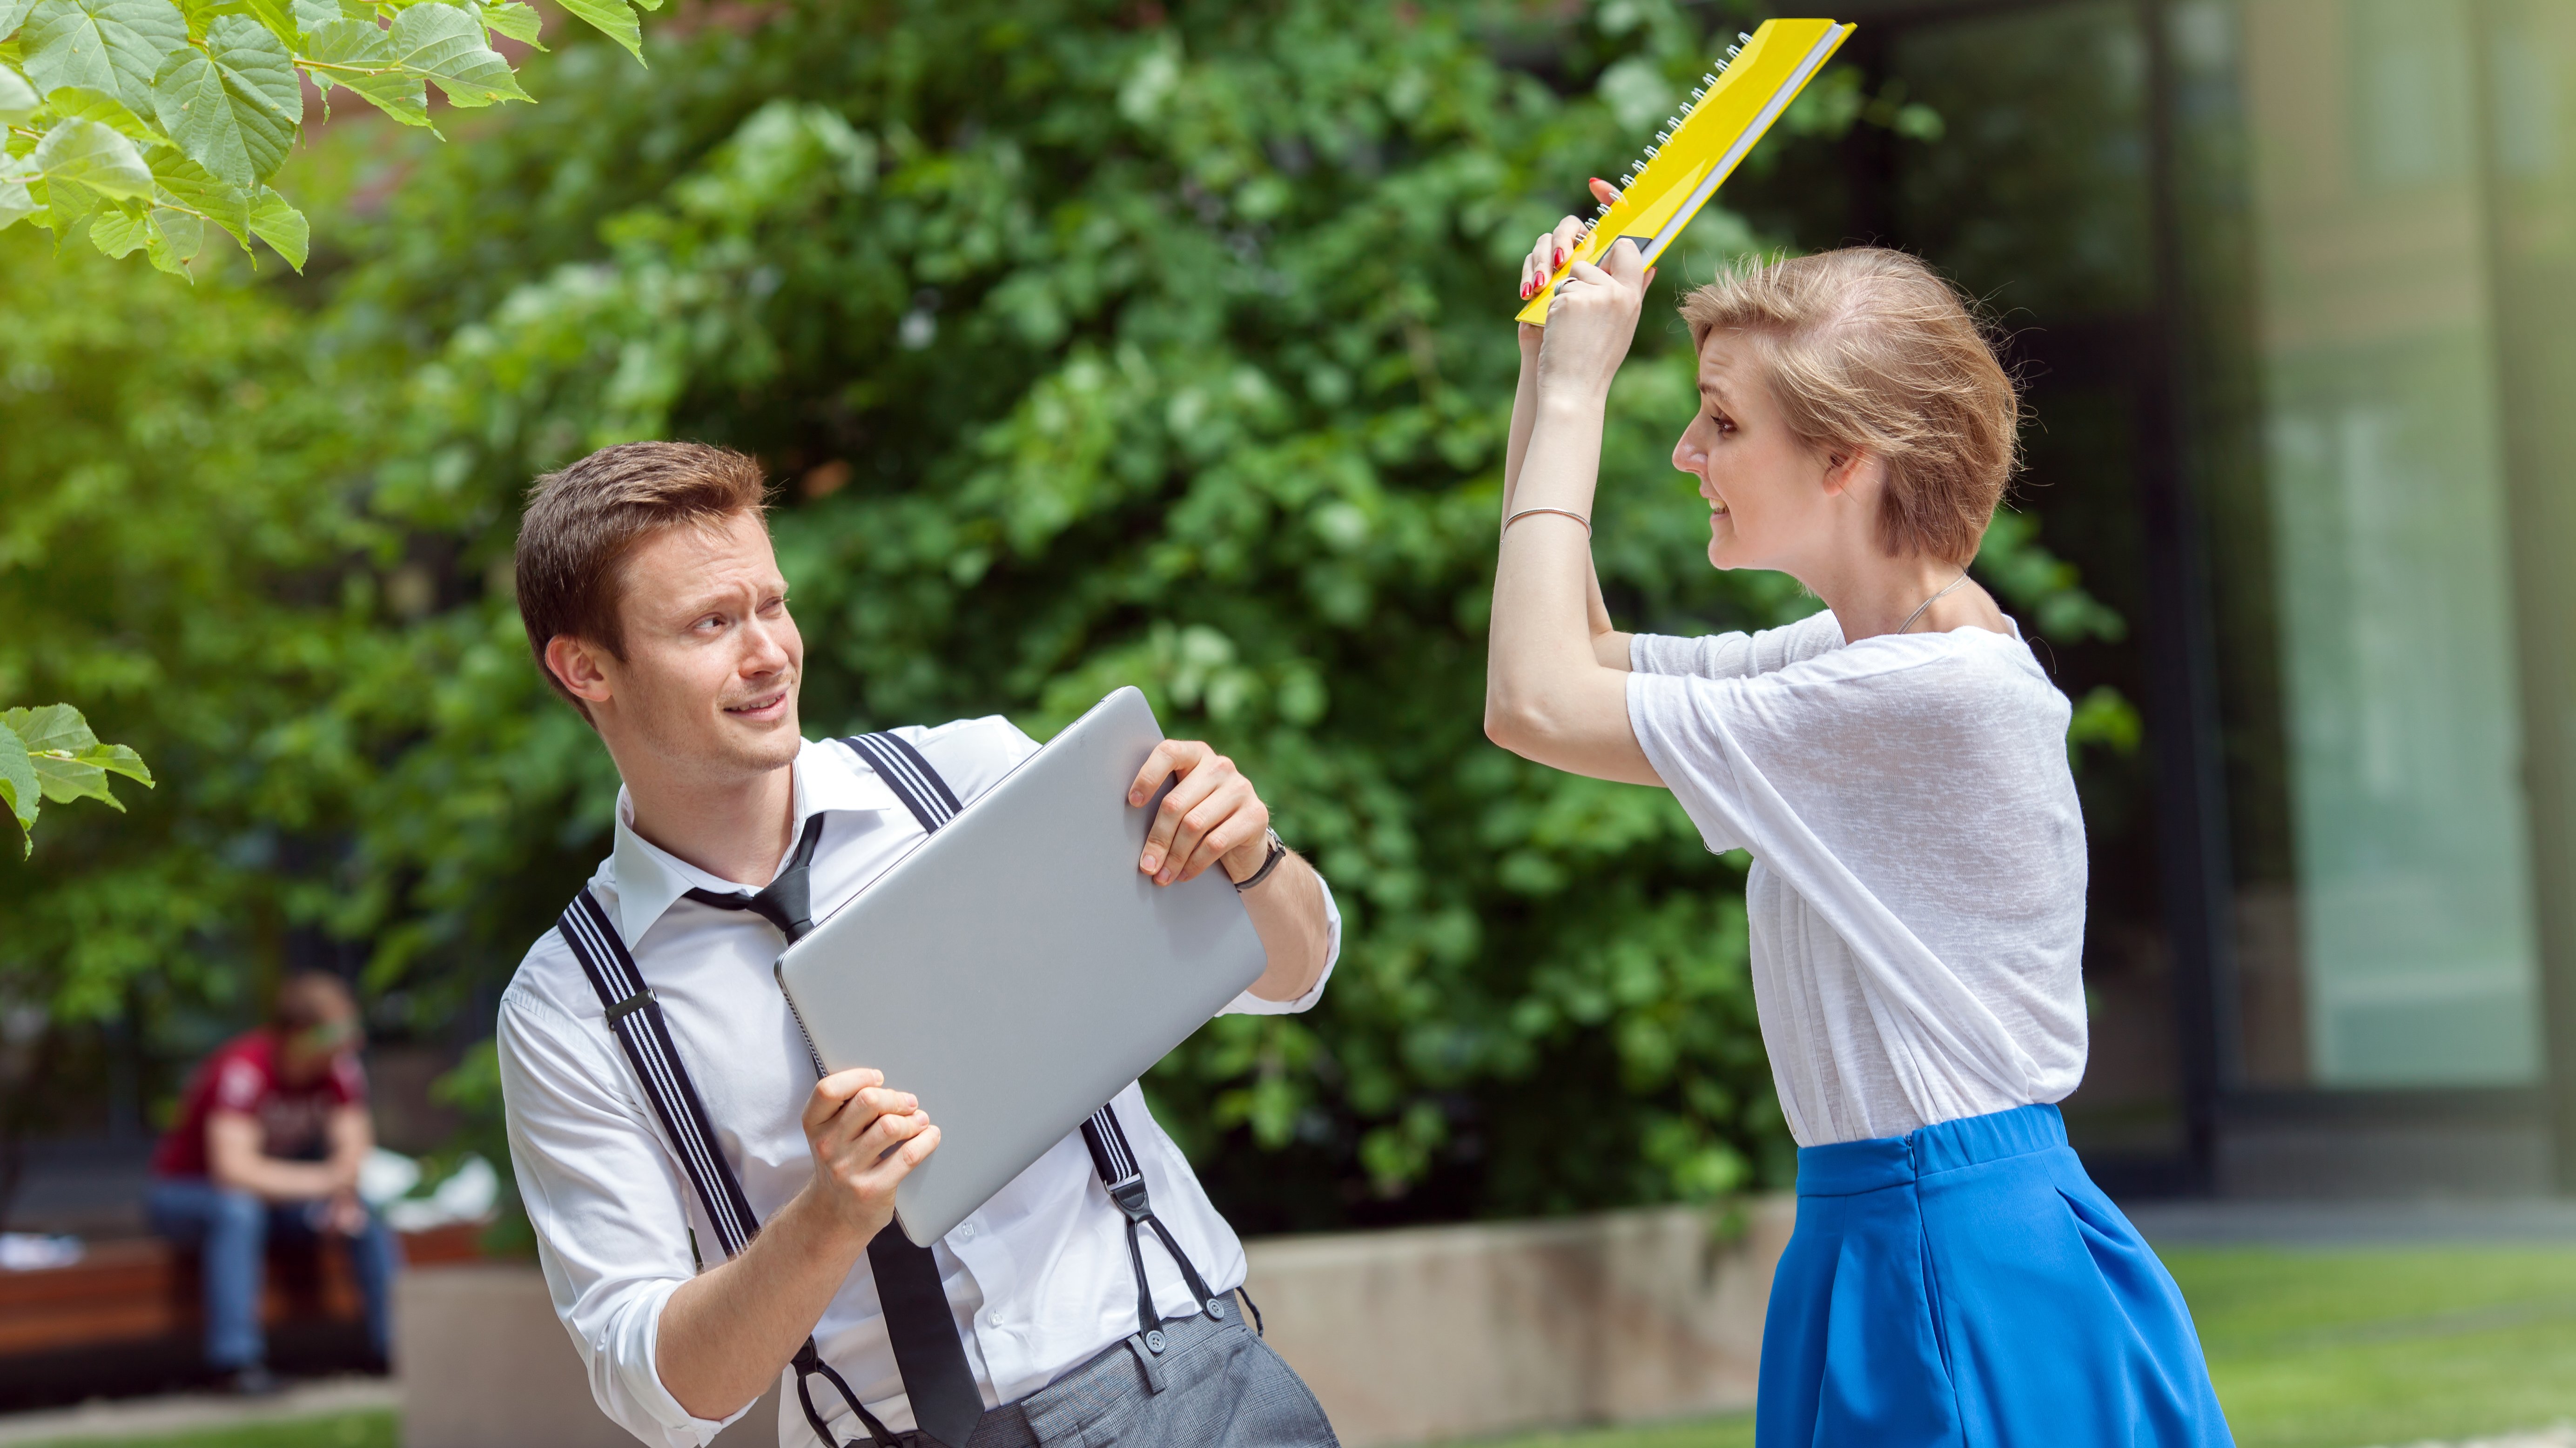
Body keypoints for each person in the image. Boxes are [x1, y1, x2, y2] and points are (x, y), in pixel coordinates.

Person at [1486, 195, 2233, 1447]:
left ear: (1847, 461)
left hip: (1939, 1251)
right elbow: (1580, 653)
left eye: (1720, 424)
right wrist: (1540, 376)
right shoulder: (1875, 657)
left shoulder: (1911, 697)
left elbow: (1531, 701)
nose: (1685, 454)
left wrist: (1575, 397)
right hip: (1906, 1232)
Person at [495, 441, 1342, 1448]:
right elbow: (658, 1393)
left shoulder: (965, 781)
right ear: (584, 666)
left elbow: (1288, 976)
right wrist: (828, 1216)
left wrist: (1251, 856)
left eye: (773, 604)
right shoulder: (570, 1004)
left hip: (1195, 1393)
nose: (768, 651)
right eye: (712, 623)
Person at [147, 971, 400, 1394]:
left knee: (364, 1212)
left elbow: (353, 1151)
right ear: (301, 1033)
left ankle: (396, 1346)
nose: (353, 1042)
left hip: (273, 1198)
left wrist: (342, 1191)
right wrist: (327, 1180)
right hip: (185, 1195)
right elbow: (234, 1170)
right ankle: (236, 1363)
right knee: (238, 1209)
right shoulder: (243, 1069)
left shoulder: (339, 1071)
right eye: (341, 1031)